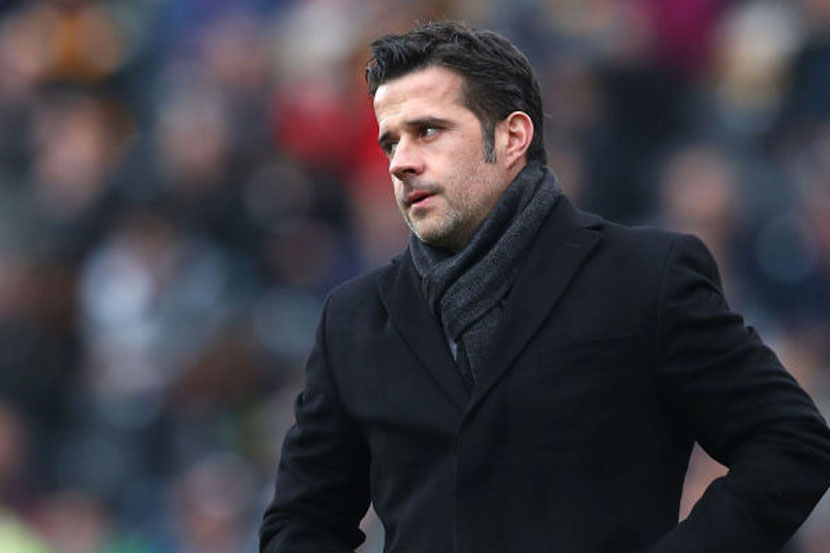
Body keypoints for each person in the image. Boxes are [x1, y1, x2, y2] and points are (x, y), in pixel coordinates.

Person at [259, 21, 830, 553]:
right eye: (391, 142)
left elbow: (791, 441)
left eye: (428, 131)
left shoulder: (644, 277)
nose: (401, 162)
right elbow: (300, 521)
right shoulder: (354, 318)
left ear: (512, 137)